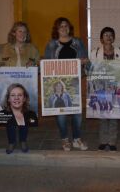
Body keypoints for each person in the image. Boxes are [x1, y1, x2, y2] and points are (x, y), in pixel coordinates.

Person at [44, 17, 88, 151]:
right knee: (61, 112)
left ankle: (76, 139)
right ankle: (64, 139)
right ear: (57, 30)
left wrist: (84, 61)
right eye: (61, 26)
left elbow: (86, 59)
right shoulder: (51, 45)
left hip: (75, 83)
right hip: (58, 83)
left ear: (70, 28)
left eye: (66, 26)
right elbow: (46, 64)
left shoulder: (78, 42)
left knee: (77, 113)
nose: (64, 28)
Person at [89, 27, 120, 152]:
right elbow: (90, 70)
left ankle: (112, 142)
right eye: (106, 35)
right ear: (101, 38)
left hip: (115, 87)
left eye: (111, 35)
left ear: (114, 38)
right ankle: (103, 141)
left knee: (113, 116)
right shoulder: (94, 53)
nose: (108, 37)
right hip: (101, 88)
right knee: (103, 116)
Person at [0, 83, 38, 154]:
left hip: (25, 114)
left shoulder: (31, 114)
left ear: (24, 98)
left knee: (24, 122)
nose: (16, 98)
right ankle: (11, 143)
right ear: (8, 98)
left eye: (20, 95)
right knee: (10, 125)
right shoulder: (2, 114)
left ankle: (23, 141)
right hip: (9, 115)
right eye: (13, 95)